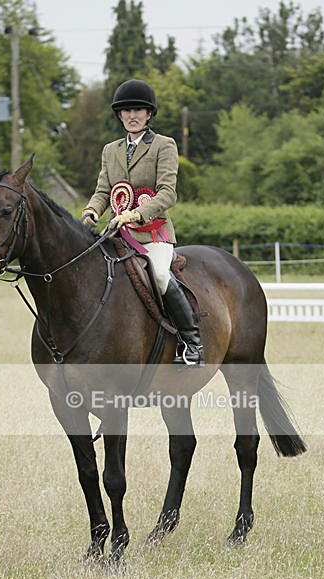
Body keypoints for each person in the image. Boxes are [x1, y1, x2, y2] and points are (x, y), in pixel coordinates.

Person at [81, 78, 204, 366]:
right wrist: (91, 212)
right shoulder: (110, 150)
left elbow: (168, 192)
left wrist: (138, 213)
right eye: (126, 111)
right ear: (119, 115)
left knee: (160, 276)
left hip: (154, 233)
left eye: (138, 110)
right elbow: (103, 191)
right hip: (117, 234)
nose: (132, 116)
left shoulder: (164, 145)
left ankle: (191, 341)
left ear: (149, 114)